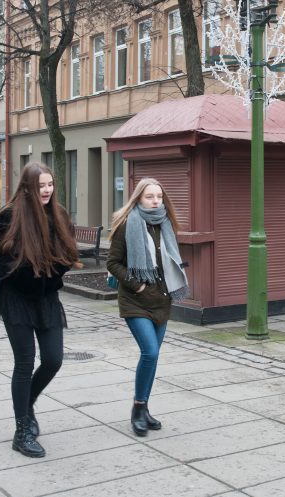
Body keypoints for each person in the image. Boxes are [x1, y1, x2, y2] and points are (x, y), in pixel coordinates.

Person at [0, 162, 79, 458]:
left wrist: (56, 272)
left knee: (53, 359)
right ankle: (22, 430)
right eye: (40, 186)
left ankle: (27, 404)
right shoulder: (9, 215)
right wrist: (12, 272)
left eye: (49, 185)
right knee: (24, 363)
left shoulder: (58, 215)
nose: (46, 190)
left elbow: (68, 253)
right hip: (16, 300)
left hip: (46, 298)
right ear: (27, 187)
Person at [107, 177, 188, 437]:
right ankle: (137, 409)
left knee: (152, 359)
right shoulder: (127, 224)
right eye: (149, 197)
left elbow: (168, 260)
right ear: (138, 198)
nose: (155, 201)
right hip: (135, 300)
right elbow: (113, 262)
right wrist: (137, 285)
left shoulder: (165, 224)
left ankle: (144, 409)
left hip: (161, 301)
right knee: (150, 353)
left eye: (159, 197)